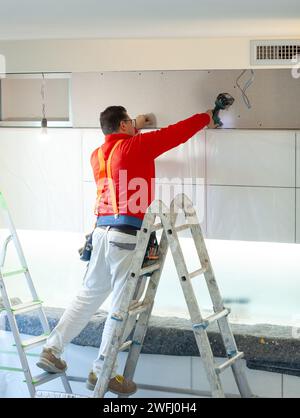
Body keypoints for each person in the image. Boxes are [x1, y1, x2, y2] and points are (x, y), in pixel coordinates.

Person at [37, 106, 217, 396]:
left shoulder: (98, 155)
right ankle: (102, 371)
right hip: (127, 236)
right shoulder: (136, 147)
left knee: (87, 296)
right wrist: (207, 116)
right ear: (123, 125)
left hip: (101, 233)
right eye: (131, 122)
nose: (137, 126)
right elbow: (175, 134)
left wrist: (138, 123)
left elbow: (122, 147)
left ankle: (52, 349)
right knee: (121, 307)